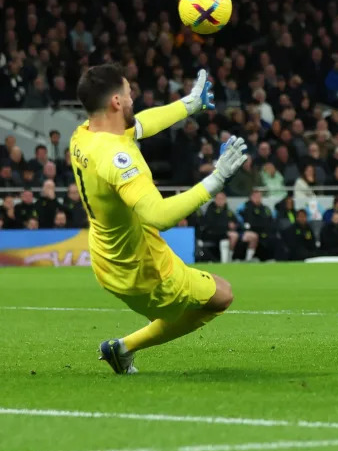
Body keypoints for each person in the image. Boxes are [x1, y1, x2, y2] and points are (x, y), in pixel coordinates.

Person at [68, 65, 247, 375]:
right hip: (144, 272)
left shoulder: (84, 135)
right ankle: (123, 348)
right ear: (116, 102)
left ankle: (127, 345)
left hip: (106, 260)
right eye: (128, 92)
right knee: (221, 295)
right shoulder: (117, 157)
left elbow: (141, 124)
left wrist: (188, 104)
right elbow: (159, 216)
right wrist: (216, 180)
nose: (133, 97)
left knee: (190, 302)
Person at [199, 192, 258, 262]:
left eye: (223, 199)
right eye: (219, 199)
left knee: (254, 236)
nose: (221, 201)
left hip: (233, 232)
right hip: (216, 233)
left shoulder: (228, 211)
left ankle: (248, 260)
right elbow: (211, 225)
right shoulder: (211, 210)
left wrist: (235, 225)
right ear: (215, 200)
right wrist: (227, 226)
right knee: (233, 236)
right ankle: (229, 259)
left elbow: (237, 222)